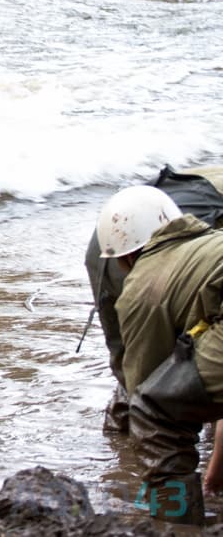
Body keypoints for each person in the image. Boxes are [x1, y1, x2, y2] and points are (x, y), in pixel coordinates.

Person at [96, 181, 223, 524]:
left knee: (154, 412)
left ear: (124, 257)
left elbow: (143, 390)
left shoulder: (143, 285)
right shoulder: (210, 243)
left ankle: (175, 523)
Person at [85, 166, 223, 434]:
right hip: (161, 229)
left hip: (111, 243)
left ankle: (122, 428)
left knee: (151, 393)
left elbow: (131, 357)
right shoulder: (198, 234)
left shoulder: (120, 250)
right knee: (160, 390)